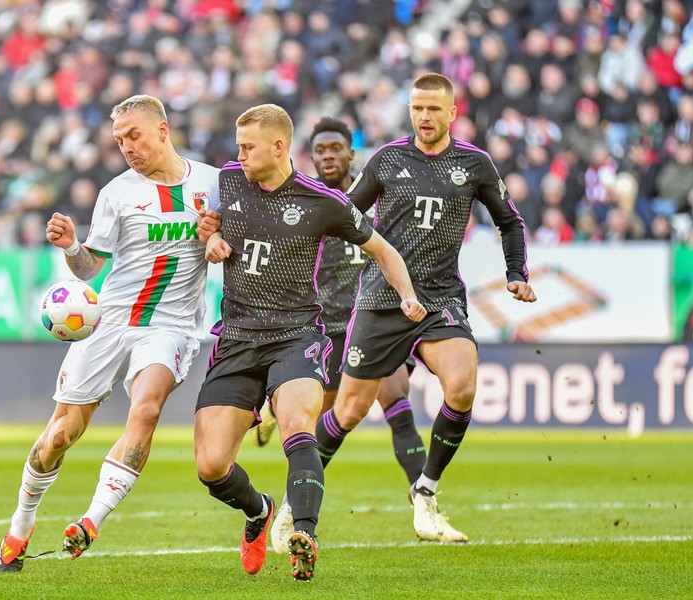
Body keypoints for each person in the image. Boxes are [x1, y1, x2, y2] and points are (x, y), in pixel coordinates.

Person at [194, 104, 425, 581]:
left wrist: (407, 296)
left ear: (278, 147)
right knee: (212, 466)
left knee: (298, 422)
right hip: (236, 337)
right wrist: (209, 237)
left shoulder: (324, 202)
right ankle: (259, 510)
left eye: (247, 146)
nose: (237, 155)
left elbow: (382, 249)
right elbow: (208, 223)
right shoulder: (231, 179)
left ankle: (304, 532)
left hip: (296, 335)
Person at [0, 94, 220, 572]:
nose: (127, 147)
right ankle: (21, 522)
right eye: (120, 141)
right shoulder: (117, 193)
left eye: (134, 136)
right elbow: (88, 267)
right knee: (59, 436)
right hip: (109, 321)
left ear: (162, 130)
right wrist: (73, 245)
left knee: (147, 407)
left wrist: (217, 239)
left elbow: (233, 241)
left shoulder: (212, 183)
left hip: (171, 325)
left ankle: (92, 520)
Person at [314, 73, 537, 543]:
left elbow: (509, 221)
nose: (424, 116)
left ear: (452, 113)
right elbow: (344, 214)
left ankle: (425, 491)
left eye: (434, 109)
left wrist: (516, 273)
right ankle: (298, 502)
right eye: (417, 108)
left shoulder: (473, 164)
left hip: (439, 298)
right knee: (349, 410)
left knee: (462, 385)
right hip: (381, 299)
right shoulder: (388, 159)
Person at [265, 117, 428, 554]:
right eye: (320, 150)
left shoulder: (374, 201)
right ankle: (290, 497)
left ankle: (423, 498)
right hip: (326, 325)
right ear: (311, 155)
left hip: (372, 319)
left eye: (336, 148)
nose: (328, 156)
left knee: (396, 394)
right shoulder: (306, 202)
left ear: (350, 152)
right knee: (327, 416)